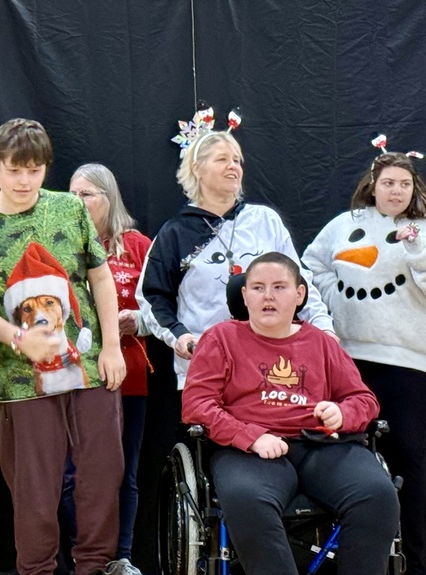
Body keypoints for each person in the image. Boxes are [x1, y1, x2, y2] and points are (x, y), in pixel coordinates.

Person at [0, 118, 136, 575]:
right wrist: (16, 339)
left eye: (34, 170)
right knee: (34, 482)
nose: (25, 180)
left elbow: (98, 276)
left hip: (88, 366)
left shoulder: (69, 207)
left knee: (102, 471)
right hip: (18, 379)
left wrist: (112, 347)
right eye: (14, 170)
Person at [183, 252, 408, 575]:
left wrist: (342, 412)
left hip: (322, 444)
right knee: (246, 496)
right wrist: (249, 435)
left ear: (299, 295)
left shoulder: (320, 342)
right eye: (258, 288)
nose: (268, 296)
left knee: (376, 491)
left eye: (279, 287)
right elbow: (198, 404)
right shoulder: (221, 339)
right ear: (245, 297)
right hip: (252, 449)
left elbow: (364, 399)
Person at [302, 148, 426, 575]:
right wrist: (336, 299)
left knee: (406, 463)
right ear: (373, 184)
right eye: (388, 182)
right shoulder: (344, 223)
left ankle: (413, 571)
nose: (395, 190)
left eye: (404, 184)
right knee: (342, 460)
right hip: (349, 360)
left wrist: (417, 246)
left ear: (415, 189)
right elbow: (309, 267)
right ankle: (342, 563)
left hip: (408, 364)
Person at [136, 129, 335, 389]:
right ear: (197, 168)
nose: (233, 166)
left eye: (237, 160)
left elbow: (299, 282)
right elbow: (152, 296)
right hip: (208, 366)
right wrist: (178, 335)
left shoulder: (264, 220)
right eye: (222, 159)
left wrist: (324, 329)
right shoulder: (175, 233)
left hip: (273, 364)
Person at [67, 163, 153, 575]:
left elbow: (161, 307)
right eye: (73, 194)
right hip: (71, 376)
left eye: (88, 195)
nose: (78, 203)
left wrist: (135, 320)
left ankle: (120, 558)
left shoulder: (137, 247)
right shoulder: (62, 244)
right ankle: (80, 563)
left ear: (109, 198)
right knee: (72, 474)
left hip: (127, 376)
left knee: (124, 473)